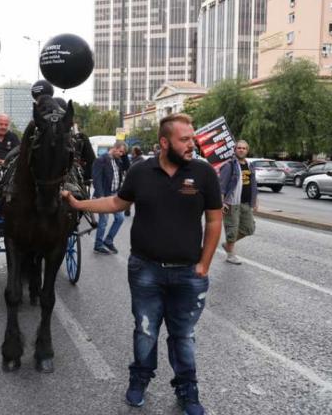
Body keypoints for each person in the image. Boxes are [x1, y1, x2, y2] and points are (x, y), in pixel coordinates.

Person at [61, 113, 222, 415]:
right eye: (184, 139)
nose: (192, 145)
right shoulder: (140, 171)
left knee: (183, 336)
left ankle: (187, 390)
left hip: (189, 274)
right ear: (164, 142)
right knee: (145, 331)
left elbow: (214, 220)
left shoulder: (203, 173)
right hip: (145, 270)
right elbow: (116, 203)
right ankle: (139, 380)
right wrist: (80, 204)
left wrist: (204, 264)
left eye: (192, 138)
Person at [218, 140, 257, 265]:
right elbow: (222, 186)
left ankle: (227, 244)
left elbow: (253, 185)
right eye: (239, 148)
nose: (241, 150)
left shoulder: (250, 165)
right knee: (232, 230)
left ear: (247, 150)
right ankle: (230, 254)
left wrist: (255, 201)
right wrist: (222, 202)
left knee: (249, 228)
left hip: (246, 203)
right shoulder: (229, 165)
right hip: (231, 203)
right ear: (235, 150)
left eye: (244, 148)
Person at [91, 140, 128, 254]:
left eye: (123, 152)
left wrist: (124, 155)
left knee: (120, 218)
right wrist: (101, 197)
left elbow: (126, 168)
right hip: (105, 195)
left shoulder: (118, 160)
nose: (121, 154)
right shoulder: (100, 160)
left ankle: (108, 240)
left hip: (115, 194)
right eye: (121, 151)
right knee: (104, 221)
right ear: (114, 148)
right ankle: (98, 245)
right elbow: (96, 180)